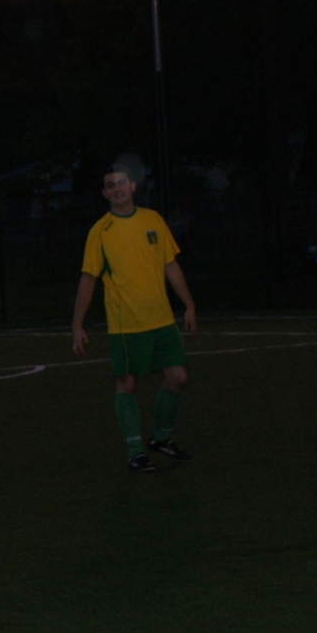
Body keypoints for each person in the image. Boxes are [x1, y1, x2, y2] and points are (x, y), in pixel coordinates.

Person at [71, 165, 198, 471]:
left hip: (162, 321)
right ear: (105, 193)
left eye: (121, 183)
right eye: (110, 185)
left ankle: (160, 438)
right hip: (126, 325)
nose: (116, 188)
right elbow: (89, 278)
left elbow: (170, 265)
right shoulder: (100, 231)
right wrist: (77, 324)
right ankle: (135, 452)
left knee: (177, 378)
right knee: (126, 384)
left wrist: (189, 304)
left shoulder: (153, 220)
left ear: (132, 187)